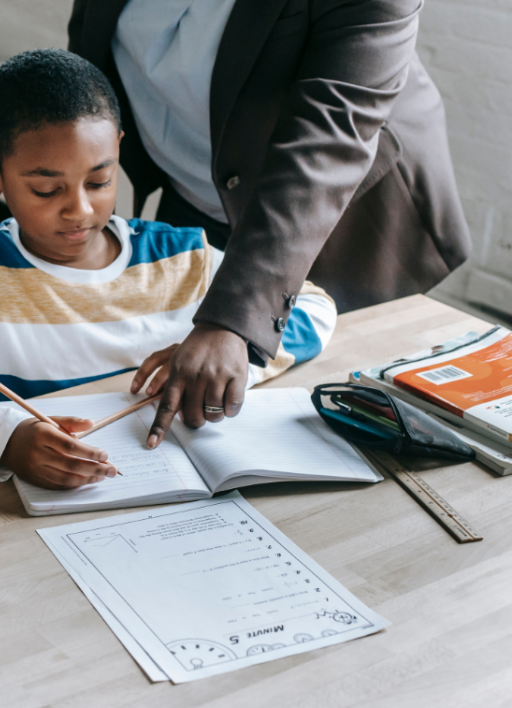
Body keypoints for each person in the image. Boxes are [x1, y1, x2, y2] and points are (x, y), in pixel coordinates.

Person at [0, 49, 336, 491]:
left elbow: (314, 306)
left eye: (100, 180)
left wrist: (229, 358)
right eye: (47, 190)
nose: (79, 209)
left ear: (119, 150)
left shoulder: (180, 256)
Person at [68, 0, 471, 443]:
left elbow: (326, 144)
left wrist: (233, 322)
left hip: (341, 221)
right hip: (191, 190)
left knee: (331, 424)